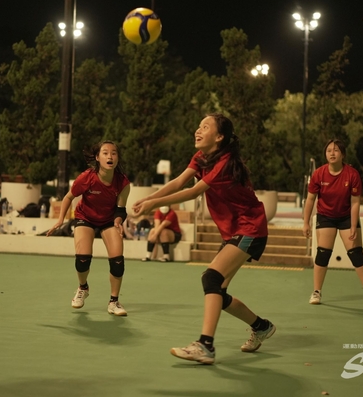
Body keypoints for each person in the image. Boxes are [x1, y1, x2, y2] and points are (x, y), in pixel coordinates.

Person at [133, 113, 274, 365]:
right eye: (198, 126)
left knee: (211, 278)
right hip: (234, 231)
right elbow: (178, 182)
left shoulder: (225, 163)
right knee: (217, 292)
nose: (198, 130)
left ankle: (205, 345)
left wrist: (153, 203)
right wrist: (149, 199)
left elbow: (193, 192)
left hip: (250, 228)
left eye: (205, 127)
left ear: (219, 137)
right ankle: (261, 326)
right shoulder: (202, 157)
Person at [48, 141, 131, 316]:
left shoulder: (123, 182)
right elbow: (68, 197)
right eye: (105, 153)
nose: (110, 156)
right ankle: (83, 288)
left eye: (114, 153)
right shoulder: (86, 178)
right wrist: (60, 219)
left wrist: (118, 221)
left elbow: (121, 210)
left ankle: (114, 302)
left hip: (109, 220)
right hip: (85, 218)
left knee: (118, 262)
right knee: (83, 259)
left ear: (117, 158)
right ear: (97, 157)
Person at [302, 139, 363, 308]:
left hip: (346, 217)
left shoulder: (352, 174)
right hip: (326, 217)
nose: (332, 153)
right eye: (329, 150)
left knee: (356, 253)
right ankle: (316, 291)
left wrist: (353, 225)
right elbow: (310, 199)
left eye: (336, 150)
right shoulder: (319, 174)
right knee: (323, 254)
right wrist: (306, 222)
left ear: (342, 154)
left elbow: (355, 202)